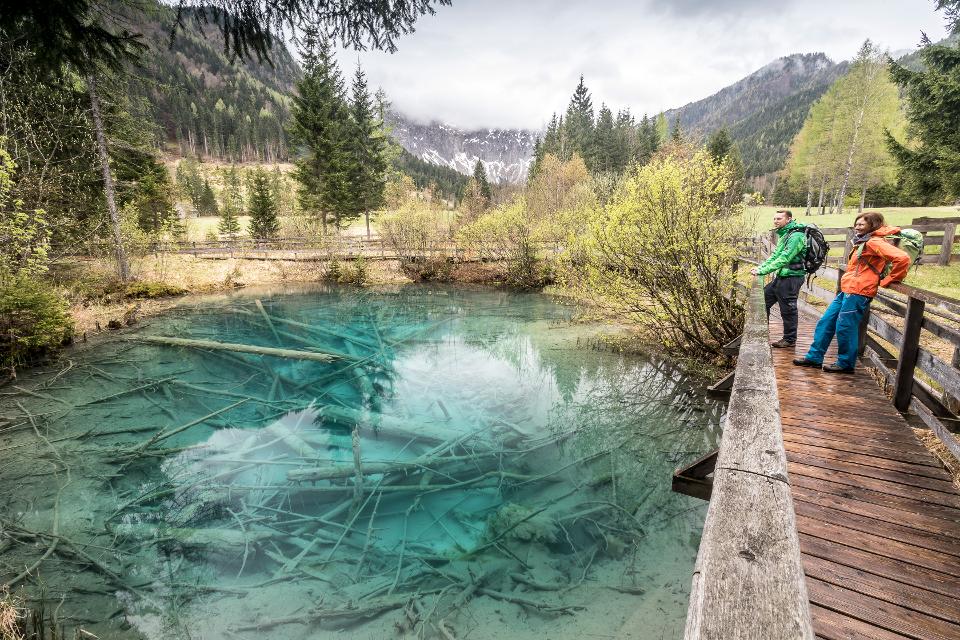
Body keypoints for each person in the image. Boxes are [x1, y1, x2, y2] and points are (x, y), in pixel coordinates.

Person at [793, 212, 910, 374]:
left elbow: (902, 258)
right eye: (856, 224)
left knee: (845, 327)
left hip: (859, 292)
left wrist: (890, 279)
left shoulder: (874, 242)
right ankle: (814, 357)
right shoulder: (862, 241)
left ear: (873, 225)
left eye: (861, 224)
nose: (857, 227)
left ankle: (846, 363)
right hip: (848, 290)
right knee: (826, 322)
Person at [751, 209, 806, 348]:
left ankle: (789, 339)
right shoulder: (785, 234)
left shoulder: (796, 236)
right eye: (775, 218)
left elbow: (785, 257)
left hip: (792, 277)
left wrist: (763, 270)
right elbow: (775, 255)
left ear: (788, 219)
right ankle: (762, 333)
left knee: (788, 309)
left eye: (779, 218)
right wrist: (761, 269)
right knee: (762, 299)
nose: (776, 221)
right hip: (782, 276)